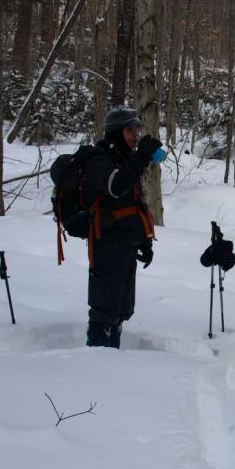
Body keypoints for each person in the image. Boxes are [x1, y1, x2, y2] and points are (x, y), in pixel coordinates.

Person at [84, 104, 166, 348]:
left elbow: (134, 204)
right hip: (106, 242)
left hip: (126, 243)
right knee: (104, 308)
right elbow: (116, 186)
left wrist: (144, 241)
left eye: (138, 129)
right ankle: (97, 360)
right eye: (131, 130)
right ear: (116, 132)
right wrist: (141, 157)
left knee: (121, 309)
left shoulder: (126, 160)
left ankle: (114, 359)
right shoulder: (100, 160)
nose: (136, 134)